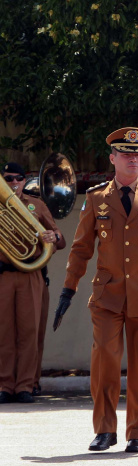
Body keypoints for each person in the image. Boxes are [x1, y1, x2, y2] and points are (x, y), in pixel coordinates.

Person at [54, 127, 138, 453]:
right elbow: (82, 249)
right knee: (105, 364)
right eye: (125, 154)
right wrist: (68, 289)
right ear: (112, 158)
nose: (132, 159)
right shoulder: (97, 198)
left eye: (137, 154)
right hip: (108, 295)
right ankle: (105, 430)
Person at [0, 162, 65, 404]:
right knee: (4, 333)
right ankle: (5, 385)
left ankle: (25, 385)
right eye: (8, 179)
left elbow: (60, 239)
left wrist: (52, 236)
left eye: (18, 179)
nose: (13, 183)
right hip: (3, 275)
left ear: (24, 181)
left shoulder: (36, 205)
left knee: (29, 332)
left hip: (30, 275)